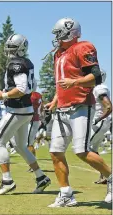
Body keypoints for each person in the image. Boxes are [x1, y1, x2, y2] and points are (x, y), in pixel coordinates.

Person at [45, 17, 112, 207]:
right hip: (62, 108)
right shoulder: (58, 53)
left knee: (82, 151)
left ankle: (111, 177)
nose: (56, 37)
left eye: (59, 33)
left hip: (81, 105)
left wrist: (75, 82)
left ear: (69, 32)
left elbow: (96, 76)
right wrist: (55, 100)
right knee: (55, 152)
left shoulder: (83, 47)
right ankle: (66, 194)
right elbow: (61, 81)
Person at [0, 33, 51, 195]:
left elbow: (22, 88)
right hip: (26, 110)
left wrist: (4, 95)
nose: (9, 50)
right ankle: (41, 177)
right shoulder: (26, 62)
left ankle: (7, 181)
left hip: (17, 110)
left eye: (12, 47)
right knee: (20, 146)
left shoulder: (15, 64)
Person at [89, 70, 112, 184]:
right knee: (93, 149)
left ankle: (108, 174)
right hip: (99, 121)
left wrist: (98, 119)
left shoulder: (99, 88)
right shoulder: (98, 88)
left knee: (85, 148)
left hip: (99, 121)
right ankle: (104, 175)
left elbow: (108, 106)